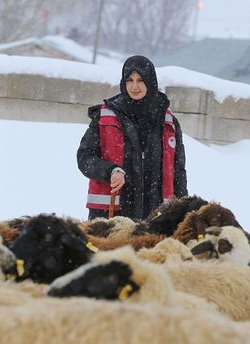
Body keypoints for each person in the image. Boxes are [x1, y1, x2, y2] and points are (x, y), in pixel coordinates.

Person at [77, 55, 188, 220]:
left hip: (156, 217)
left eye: (140, 80)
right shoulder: (105, 116)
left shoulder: (168, 121)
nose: (134, 86)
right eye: (130, 80)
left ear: (150, 81)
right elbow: (84, 158)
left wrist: (183, 209)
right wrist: (110, 171)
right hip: (112, 216)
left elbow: (178, 172)